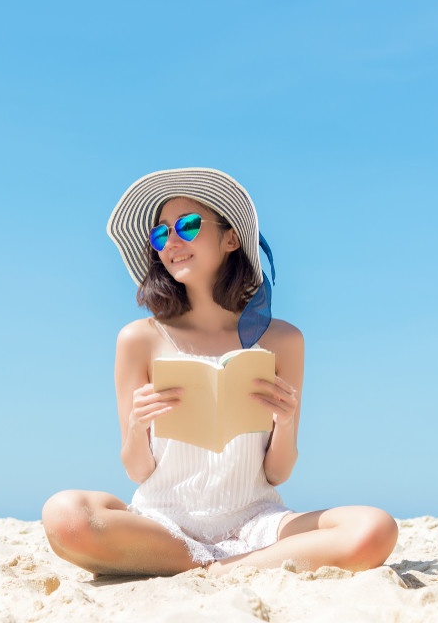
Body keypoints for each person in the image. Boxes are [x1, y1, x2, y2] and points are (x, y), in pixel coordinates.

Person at [42, 168, 398, 577]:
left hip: (257, 521)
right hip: (163, 524)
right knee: (64, 514)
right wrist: (137, 425)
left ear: (231, 239)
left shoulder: (283, 340)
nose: (171, 241)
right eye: (160, 235)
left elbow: (277, 472)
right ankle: (212, 564)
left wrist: (284, 421)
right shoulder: (138, 339)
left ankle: (219, 569)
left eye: (187, 226)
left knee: (375, 527)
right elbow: (137, 470)